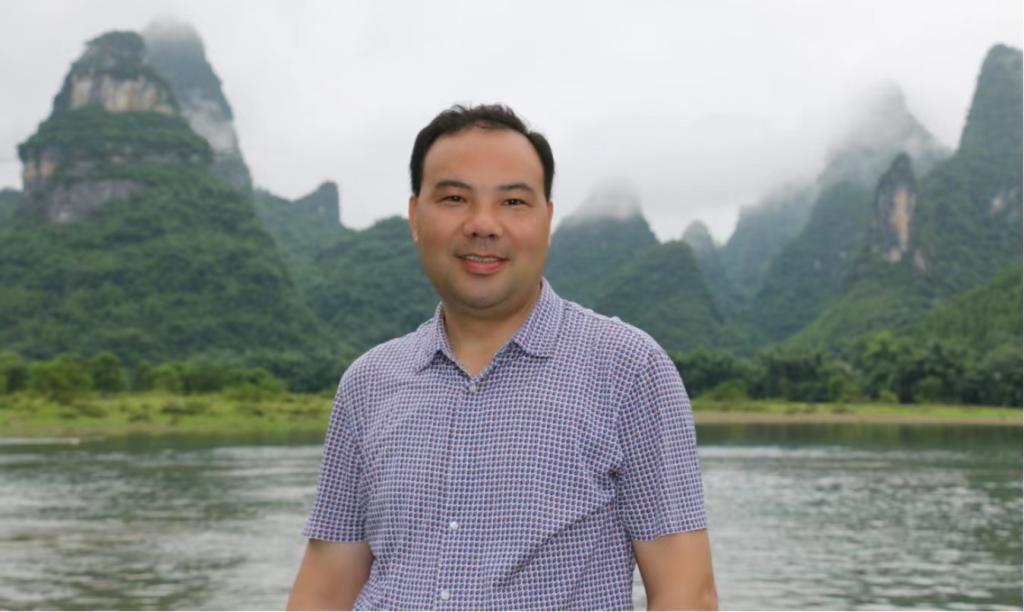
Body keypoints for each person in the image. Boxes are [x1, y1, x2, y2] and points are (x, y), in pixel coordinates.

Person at [287, 104, 717, 611]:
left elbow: (686, 593)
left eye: (513, 201)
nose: (483, 225)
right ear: (415, 217)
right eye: (454, 198)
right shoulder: (369, 382)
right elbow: (325, 587)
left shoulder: (628, 368)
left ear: (547, 220)